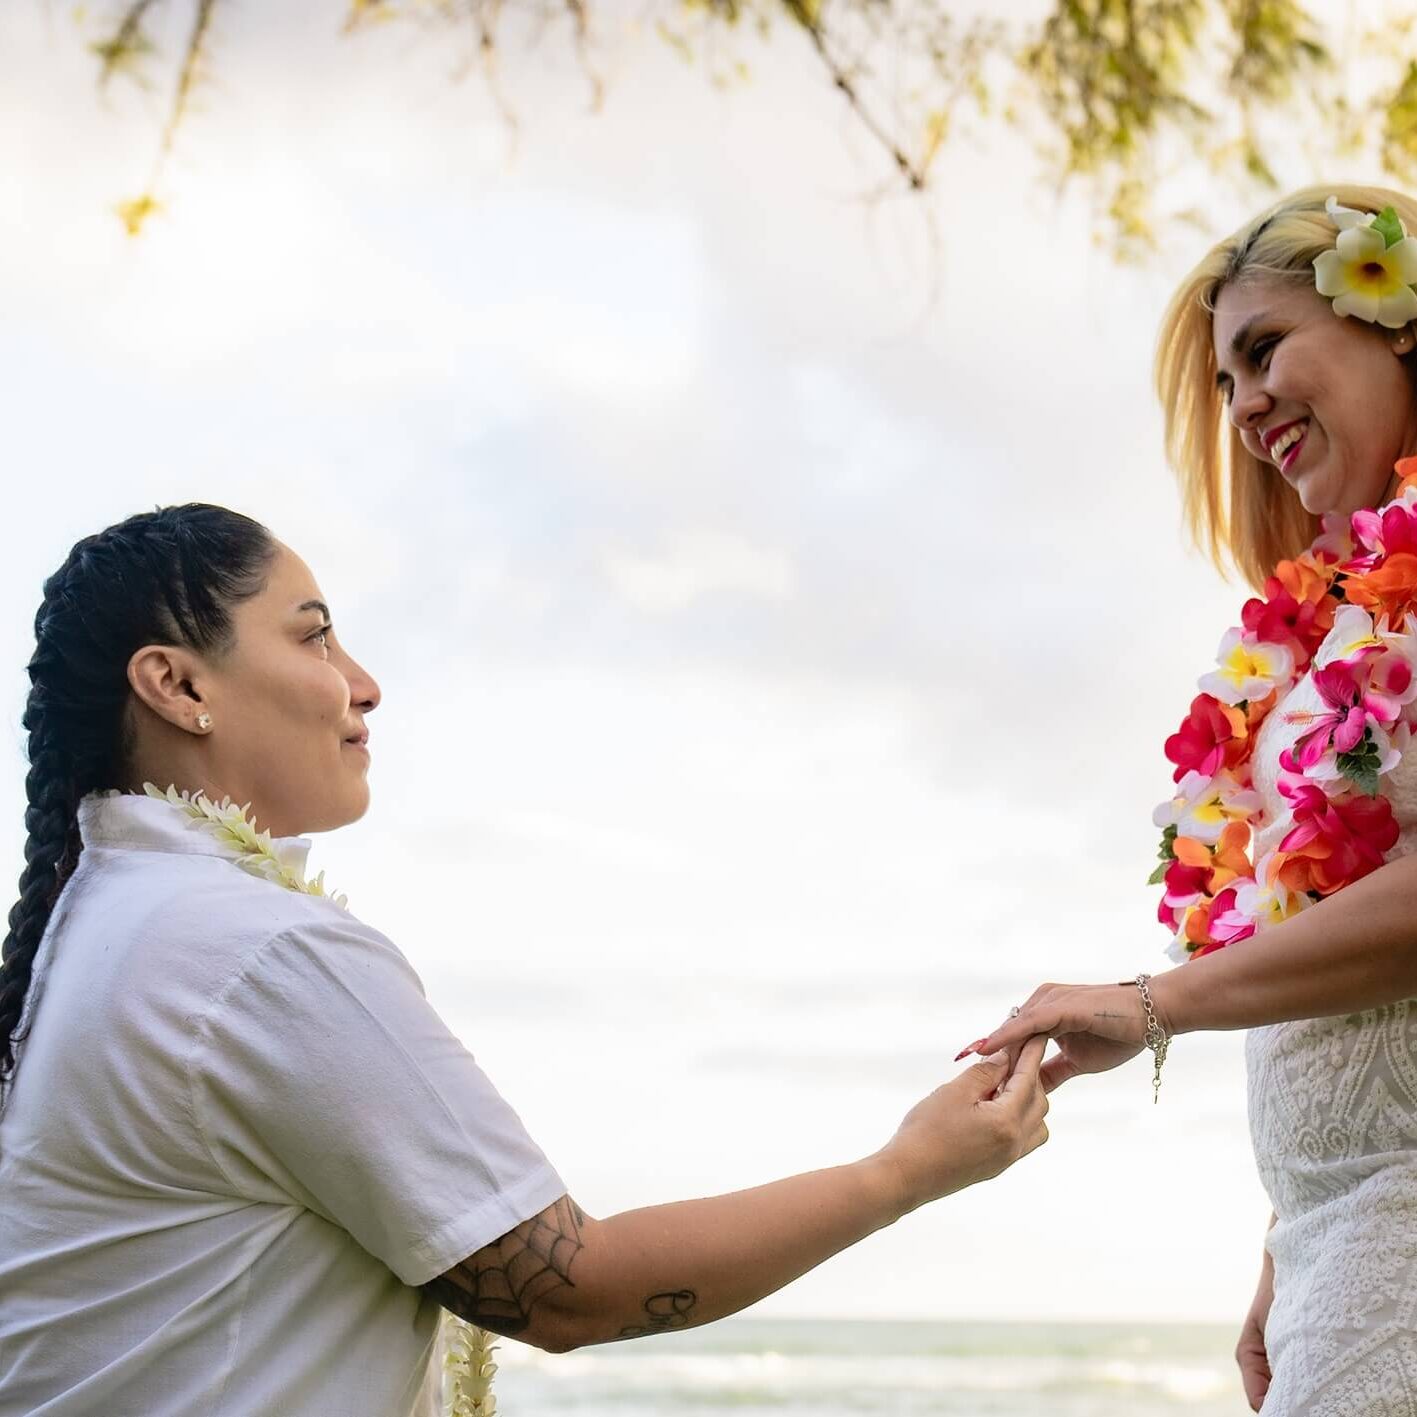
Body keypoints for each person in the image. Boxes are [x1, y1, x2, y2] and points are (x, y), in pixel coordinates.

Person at [0, 505, 1050, 1416]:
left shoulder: (102, 930)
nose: (362, 685)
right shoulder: (256, 951)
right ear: (179, 685)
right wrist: (907, 1170)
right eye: (314, 638)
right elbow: (565, 1288)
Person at [962, 182, 1417, 1415]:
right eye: (1224, 382)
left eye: (1263, 350)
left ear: (1395, 316)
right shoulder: (1329, 621)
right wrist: (1295, 1225)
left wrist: (1150, 1002)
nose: (1244, 403)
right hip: (1348, 1233)